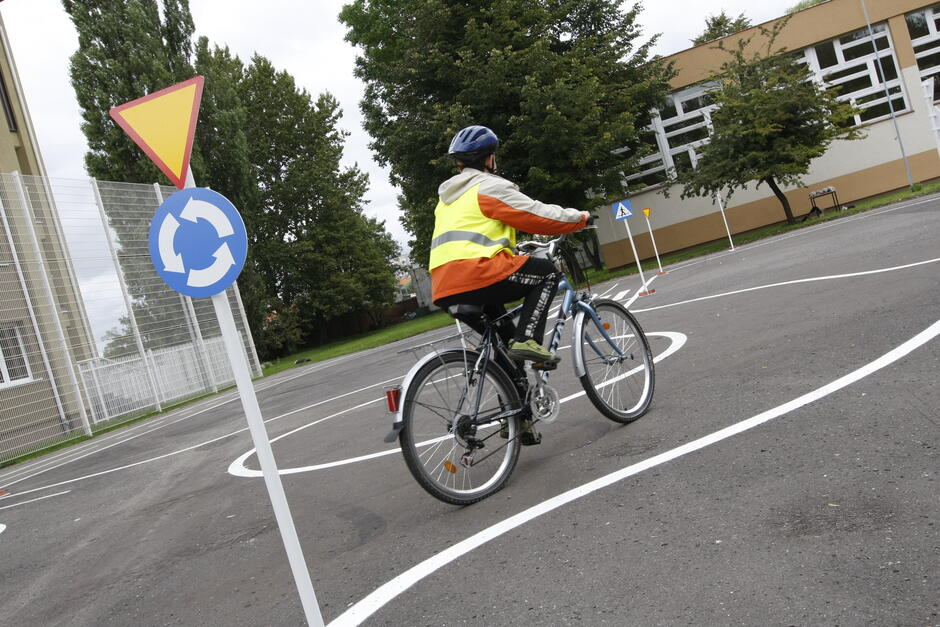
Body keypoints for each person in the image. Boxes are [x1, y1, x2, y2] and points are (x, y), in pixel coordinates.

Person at [429, 125, 589, 366]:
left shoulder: (447, 199)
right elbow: (538, 215)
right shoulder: (487, 187)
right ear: (488, 157)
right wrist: (580, 218)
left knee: (504, 345)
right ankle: (528, 340)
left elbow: (470, 239)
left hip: (444, 285)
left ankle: (516, 400)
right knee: (547, 274)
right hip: (479, 272)